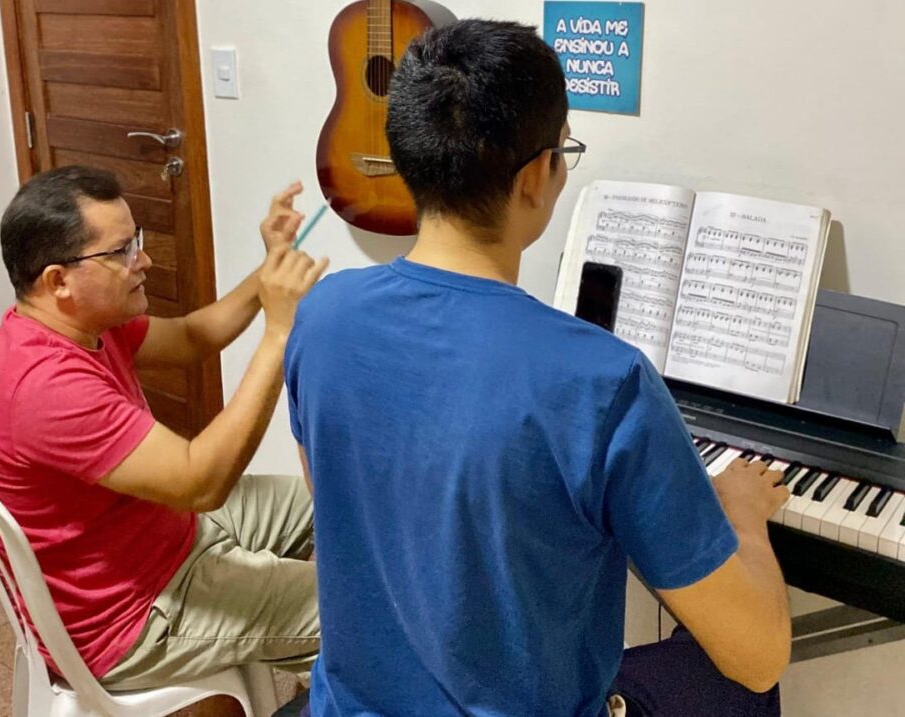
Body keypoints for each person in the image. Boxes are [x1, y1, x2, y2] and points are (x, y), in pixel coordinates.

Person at [284, 19, 790, 716]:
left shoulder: (321, 315)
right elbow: (758, 656)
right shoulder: (603, 382)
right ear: (534, 176)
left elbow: (343, 505)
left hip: (347, 705)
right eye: (564, 152)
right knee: (742, 685)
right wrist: (742, 518)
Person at [0, 165, 327, 689]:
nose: (144, 260)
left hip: (164, 533)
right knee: (359, 614)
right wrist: (279, 331)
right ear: (58, 281)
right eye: (121, 252)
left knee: (334, 497)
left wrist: (268, 268)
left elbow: (193, 337)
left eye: (134, 240)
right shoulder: (45, 386)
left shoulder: (86, 323)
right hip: (130, 617)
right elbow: (201, 483)